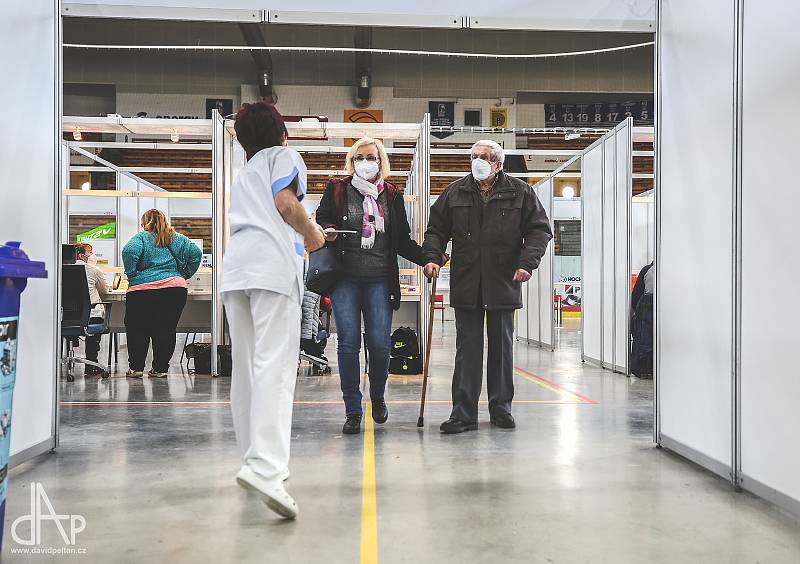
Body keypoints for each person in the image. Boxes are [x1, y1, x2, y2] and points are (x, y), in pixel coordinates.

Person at [221, 101, 325, 520]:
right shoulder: (285, 155)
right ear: (282, 133)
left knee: (246, 369)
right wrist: (313, 231)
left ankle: (251, 459)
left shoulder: (245, 172)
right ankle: (267, 468)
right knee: (276, 367)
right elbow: (286, 204)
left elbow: (270, 212)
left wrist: (302, 230)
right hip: (271, 269)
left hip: (237, 270)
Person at [422, 140, 553, 434]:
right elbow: (436, 229)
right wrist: (432, 257)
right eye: (474, 156)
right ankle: (463, 413)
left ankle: (501, 408)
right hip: (467, 280)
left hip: (504, 280)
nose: (477, 160)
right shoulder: (455, 191)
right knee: (467, 349)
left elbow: (539, 230)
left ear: (498, 163)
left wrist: (526, 263)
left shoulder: (520, 192)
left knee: (501, 348)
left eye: (484, 157)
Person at [316, 137, 425, 435]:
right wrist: (327, 231)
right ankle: (352, 409)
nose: (366, 162)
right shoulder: (337, 189)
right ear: (352, 162)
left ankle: (377, 395)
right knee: (348, 344)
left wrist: (429, 257)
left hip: (380, 279)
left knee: (379, 344)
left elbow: (401, 240)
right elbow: (321, 218)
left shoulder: (391, 195)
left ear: (381, 161)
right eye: (360, 157)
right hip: (345, 280)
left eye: (371, 157)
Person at [122, 209, 202, 378]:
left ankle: (136, 368)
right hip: (174, 290)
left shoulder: (141, 237)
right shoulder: (178, 239)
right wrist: (184, 273)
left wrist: (132, 274)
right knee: (165, 329)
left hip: (142, 289)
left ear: (145, 222)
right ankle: (160, 369)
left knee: (137, 329)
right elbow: (196, 253)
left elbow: (129, 251)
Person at [75, 243, 110, 376]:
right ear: (81, 255)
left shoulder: (62, 269)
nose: (92, 255)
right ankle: (91, 363)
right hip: (90, 315)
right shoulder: (94, 270)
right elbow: (105, 291)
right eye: (90, 252)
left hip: (66, 318)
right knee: (95, 318)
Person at [630, 261, 654, 378]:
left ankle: (644, 370)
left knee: (644, 340)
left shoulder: (647, 270)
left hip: (646, 310)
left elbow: (635, 297)